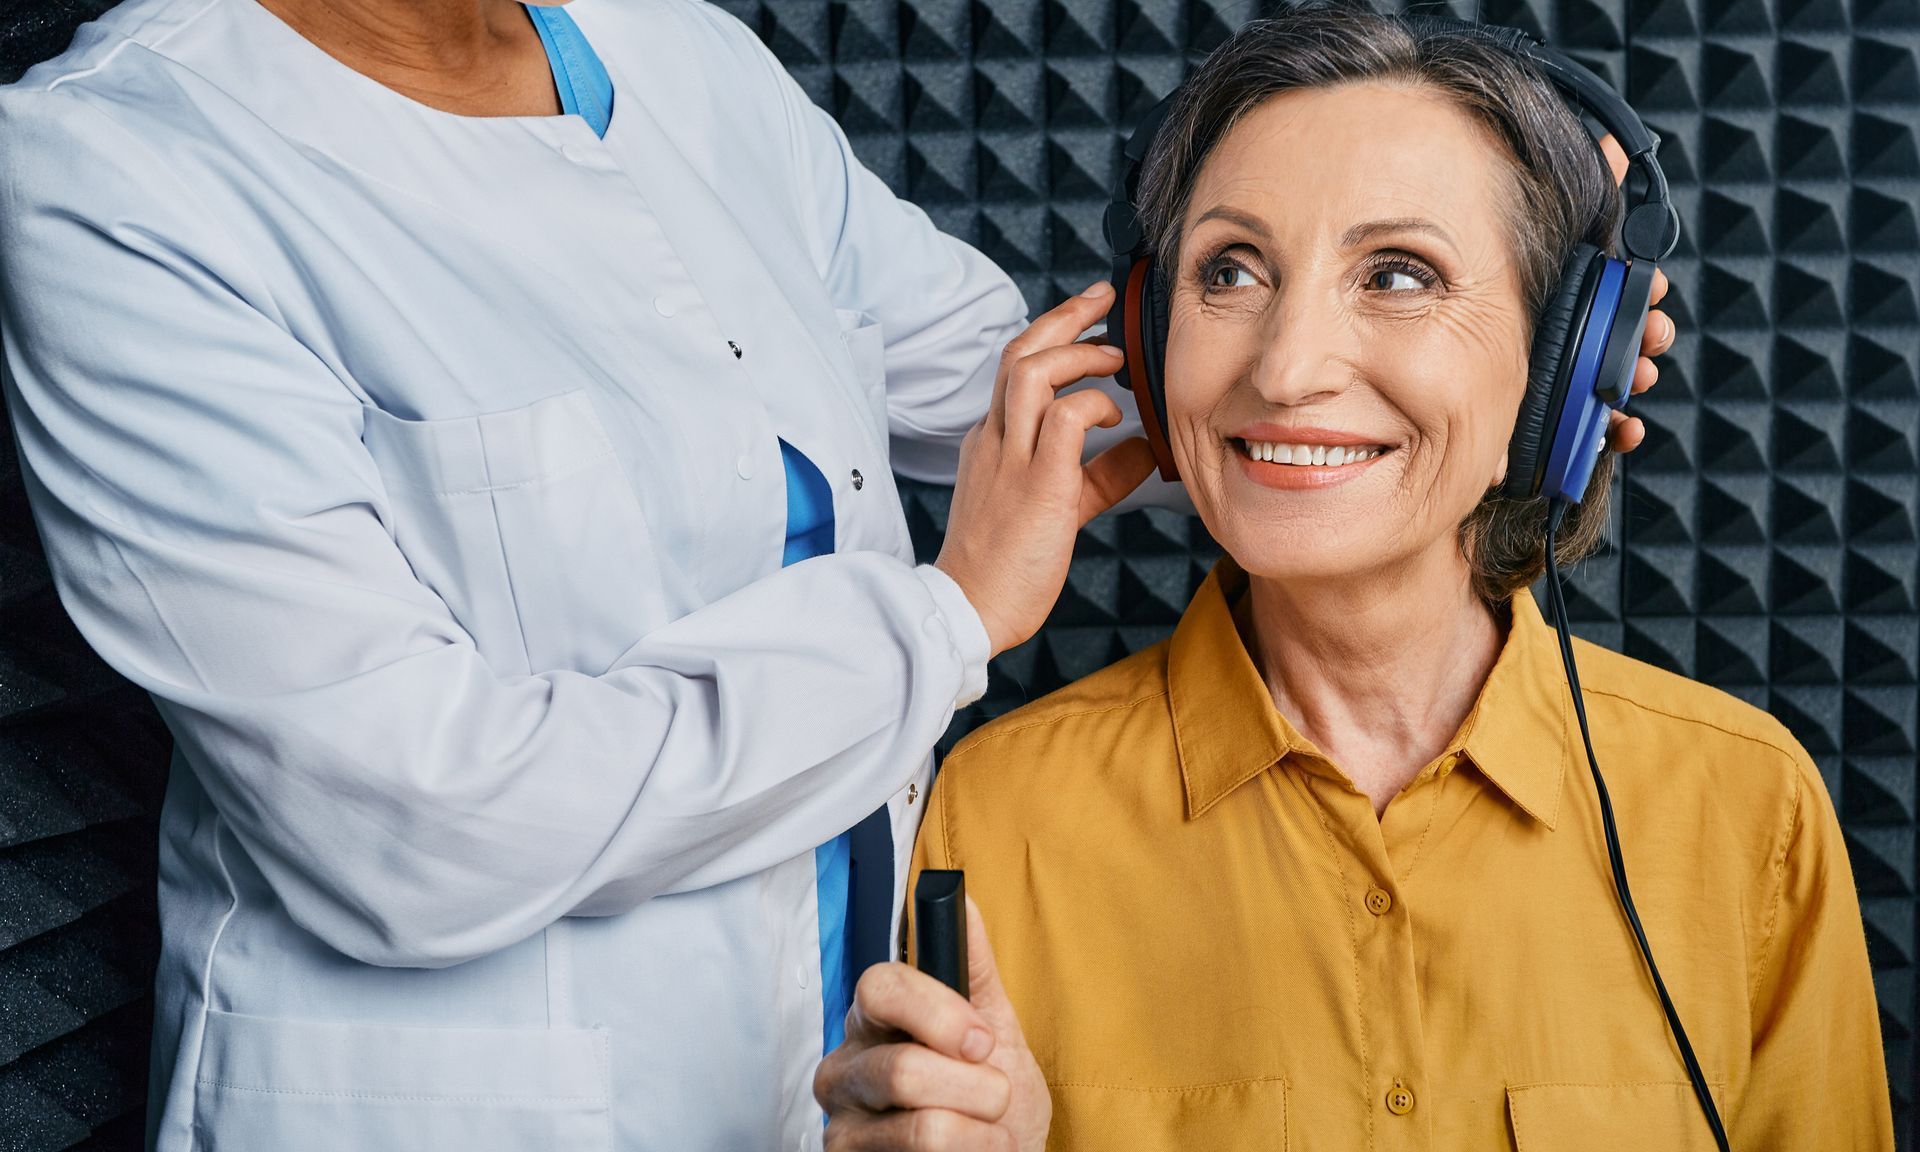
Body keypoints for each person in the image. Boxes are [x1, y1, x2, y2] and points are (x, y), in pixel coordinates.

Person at [0, 0, 1670, 1148]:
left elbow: (1053, 377)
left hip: (825, 1099)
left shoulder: (678, 60)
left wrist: (1504, 353)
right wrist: (943, 620)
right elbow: (407, 821)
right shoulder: (115, 168)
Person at [816, 10, 1893, 1152]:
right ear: (1149, 333)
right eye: (1229, 270)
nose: (1284, 370)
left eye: (1398, 274)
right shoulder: (998, 815)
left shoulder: (1744, 811)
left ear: (1569, 375)